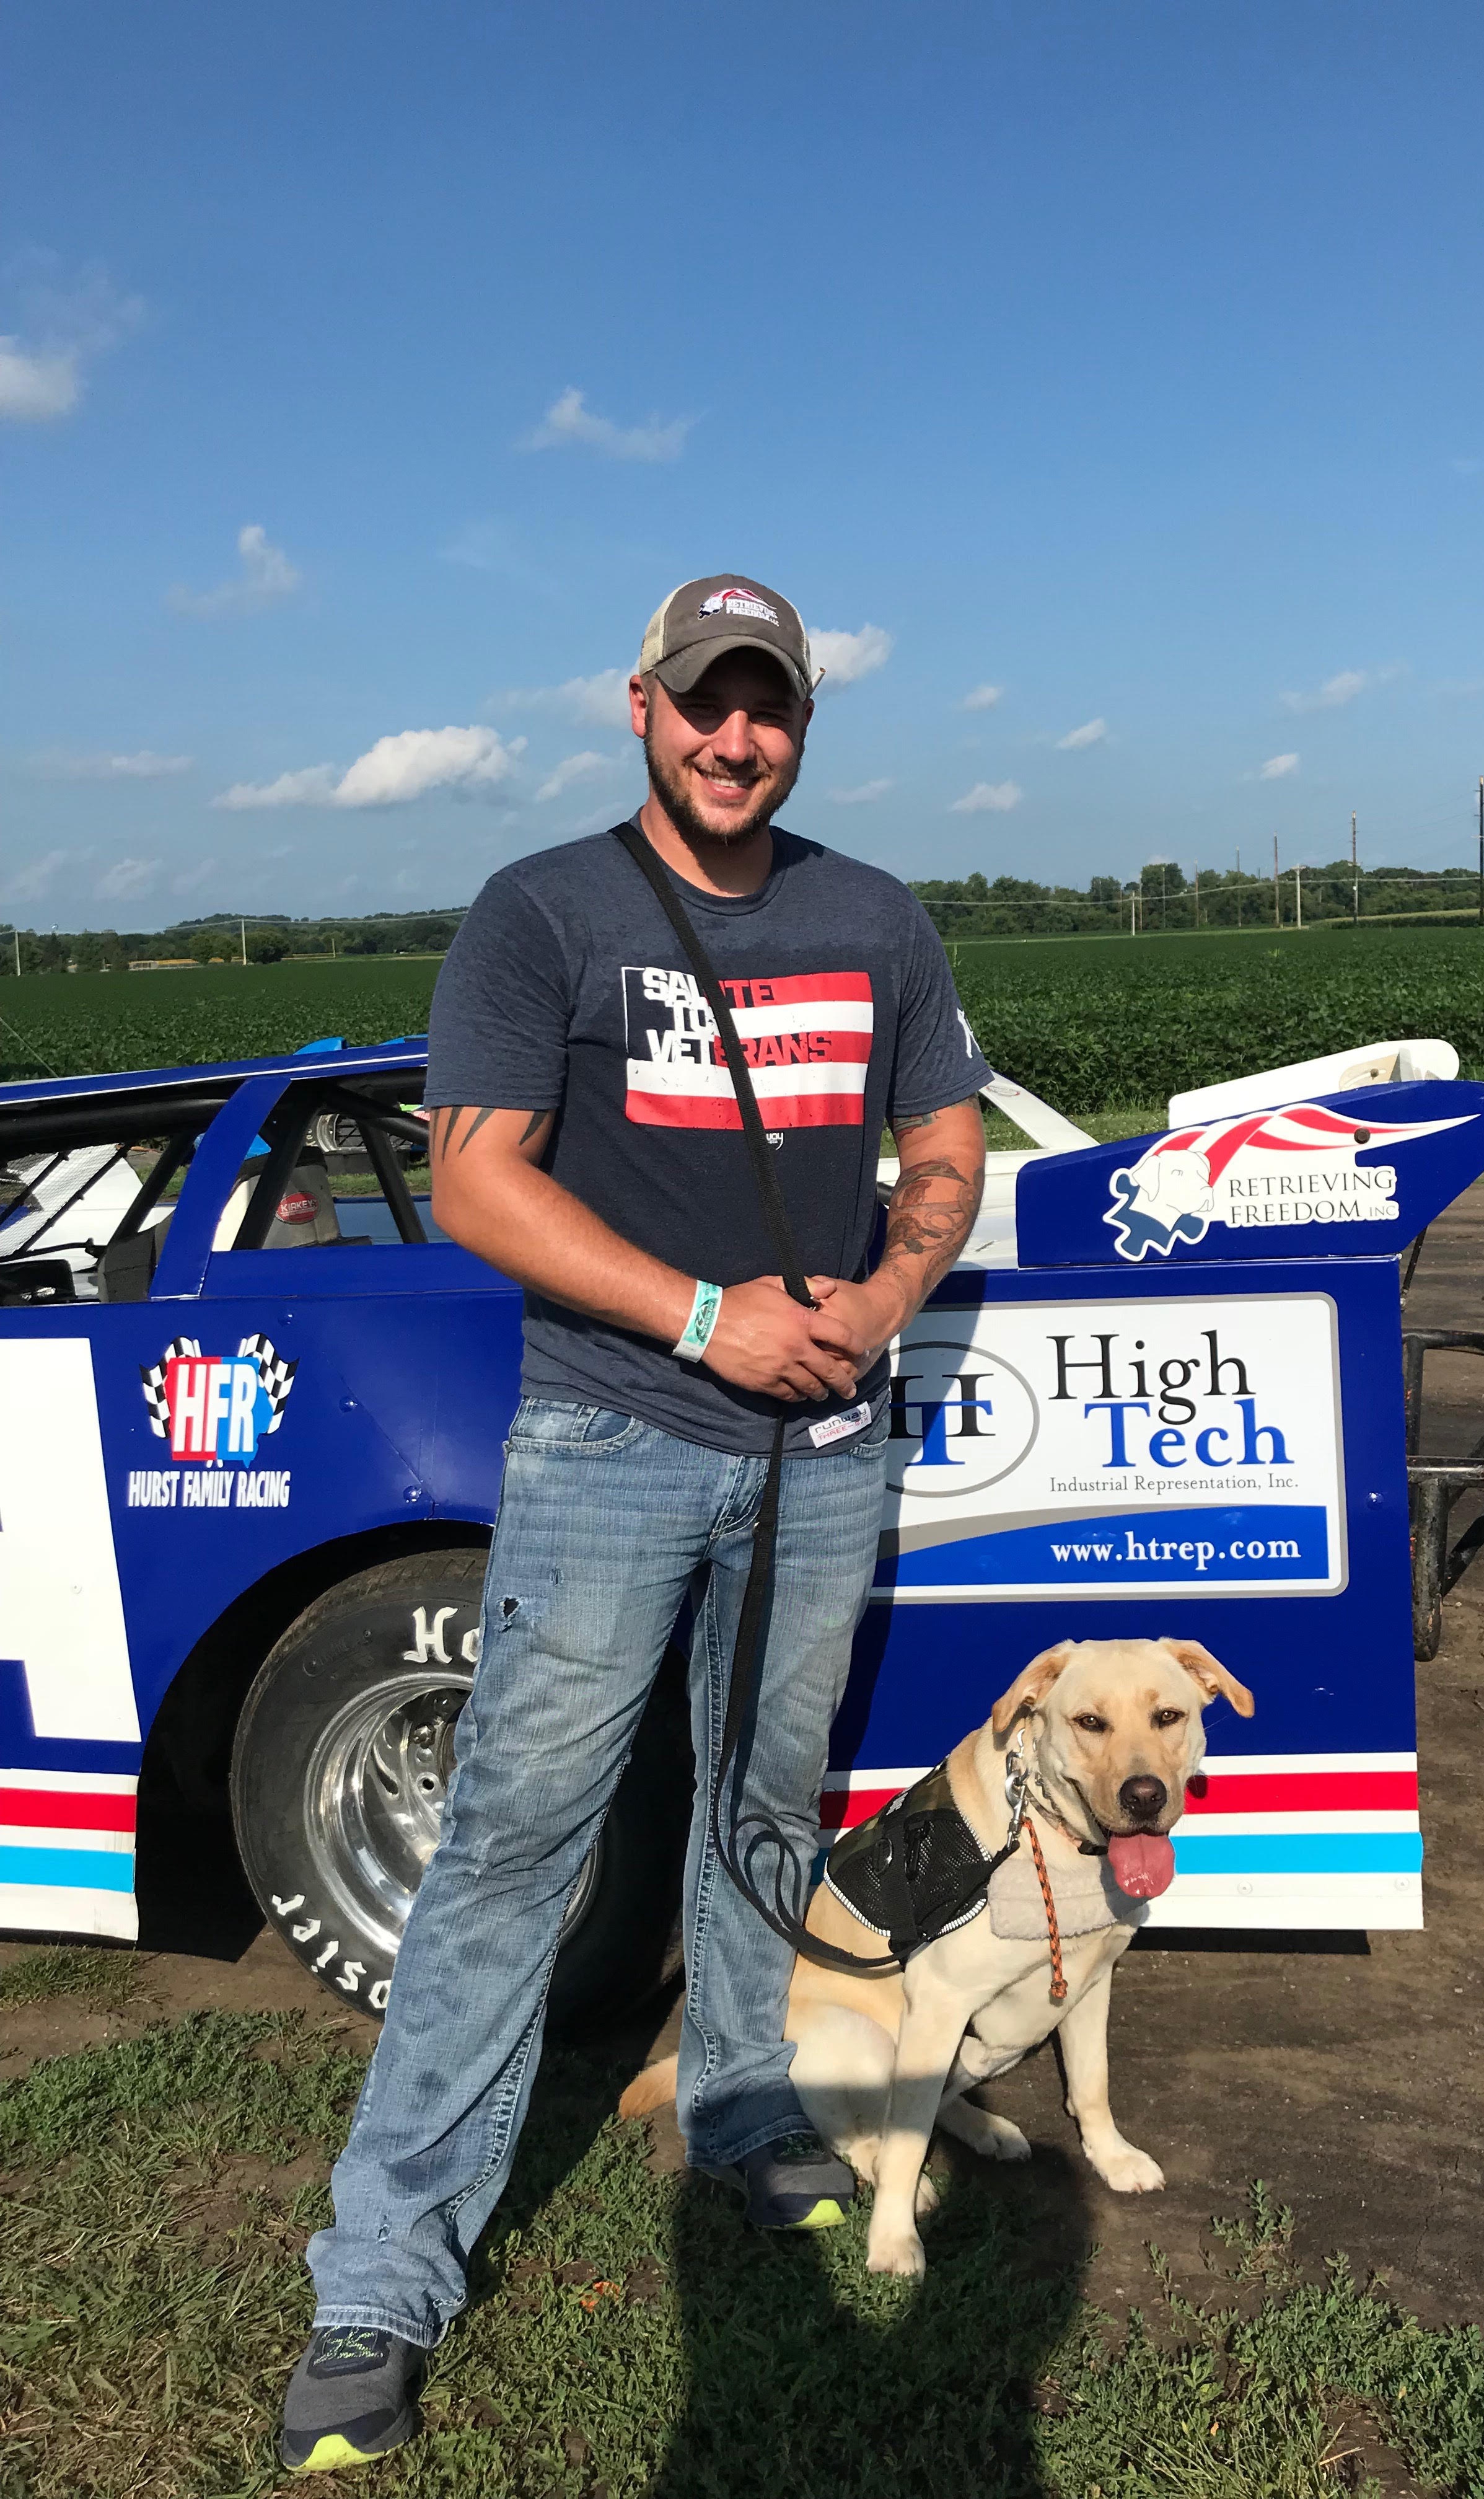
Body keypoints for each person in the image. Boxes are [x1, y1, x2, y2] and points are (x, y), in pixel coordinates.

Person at [279, 574, 988, 2474]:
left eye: (766, 706)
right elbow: (480, 1182)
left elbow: (947, 1139)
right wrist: (703, 1317)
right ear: (641, 709)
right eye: (703, 702)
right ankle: (381, 2285)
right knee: (514, 1851)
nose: (733, 736)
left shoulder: (876, 920)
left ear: (805, 721)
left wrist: (888, 1296)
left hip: (822, 1458)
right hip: (612, 1441)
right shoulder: (543, 912)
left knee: (767, 1802)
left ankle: (747, 2110)